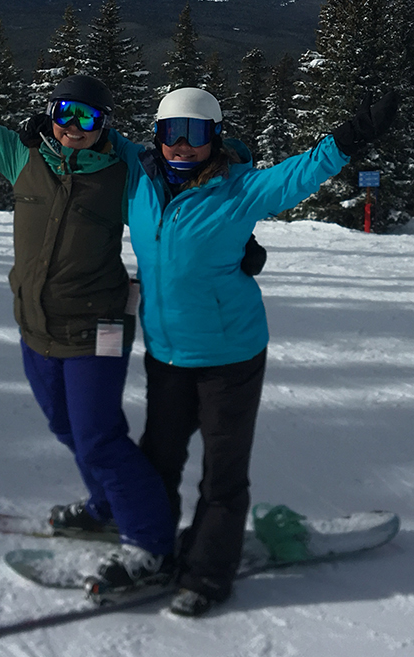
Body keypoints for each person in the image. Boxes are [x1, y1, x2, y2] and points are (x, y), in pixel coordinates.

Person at [0, 37, 179, 592]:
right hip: (37, 326)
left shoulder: (127, 172)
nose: (75, 126)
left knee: (101, 438)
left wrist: (237, 240)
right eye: (65, 114)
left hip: (103, 326)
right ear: (50, 116)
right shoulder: (24, 157)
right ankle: (106, 507)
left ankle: (151, 545)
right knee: (65, 426)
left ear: (105, 125)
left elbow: (192, 175)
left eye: (89, 118)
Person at [125, 86, 395, 617]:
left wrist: (351, 135)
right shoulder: (138, 181)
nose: (180, 146)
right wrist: (46, 134)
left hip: (229, 357)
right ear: (155, 138)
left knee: (222, 475)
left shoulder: (239, 189)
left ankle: (207, 573)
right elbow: (87, 141)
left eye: (194, 135)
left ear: (215, 138)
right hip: (167, 354)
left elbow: (299, 172)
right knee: (157, 463)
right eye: (170, 134)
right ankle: (152, 551)